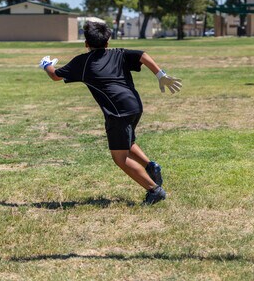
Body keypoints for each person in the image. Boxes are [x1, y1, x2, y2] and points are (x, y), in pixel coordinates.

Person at [39, 17, 182, 205]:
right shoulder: (119, 53)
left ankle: (154, 190)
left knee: (120, 158)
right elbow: (142, 55)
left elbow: (55, 76)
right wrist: (160, 75)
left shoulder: (82, 62)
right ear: (108, 42)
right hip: (134, 106)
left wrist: (45, 64)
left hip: (118, 112)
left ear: (86, 43)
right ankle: (151, 166)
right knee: (127, 142)